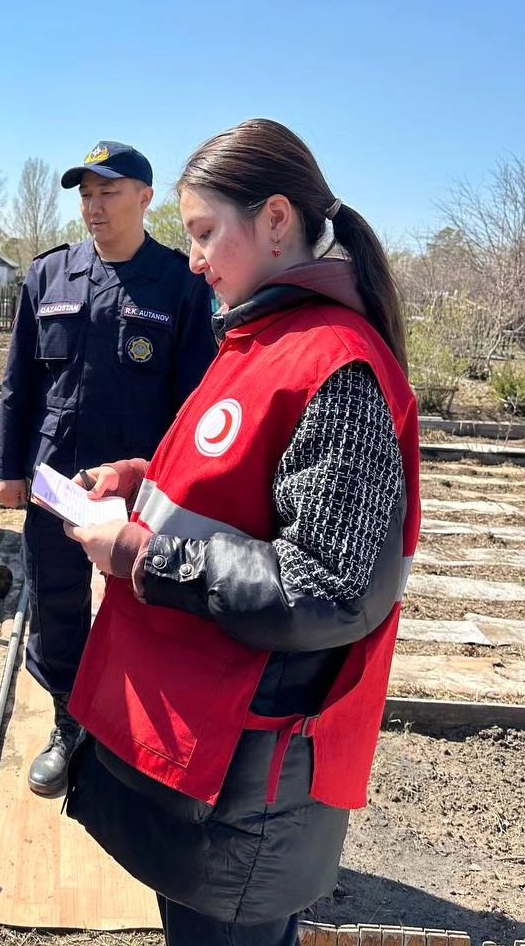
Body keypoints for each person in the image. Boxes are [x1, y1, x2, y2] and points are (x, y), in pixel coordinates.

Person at [62, 119, 420, 945]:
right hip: (200, 750)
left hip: (244, 768)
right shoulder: (258, 338)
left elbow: (326, 587)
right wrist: (143, 482)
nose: (192, 260)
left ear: (277, 221)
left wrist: (146, 558)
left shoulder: (339, 368)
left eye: (204, 233)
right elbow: (241, 494)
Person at [0, 141, 216, 796]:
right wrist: (8, 468)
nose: (94, 206)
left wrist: (185, 491)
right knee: (58, 602)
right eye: (86, 195)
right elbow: (18, 383)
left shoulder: (179, 283)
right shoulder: (50, 276)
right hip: (58, 476)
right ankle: (69, 723)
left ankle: (133, 736)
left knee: (142, 603)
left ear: (145, 199)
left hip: (143, 484)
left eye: (108, 193)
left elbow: (197, 400)